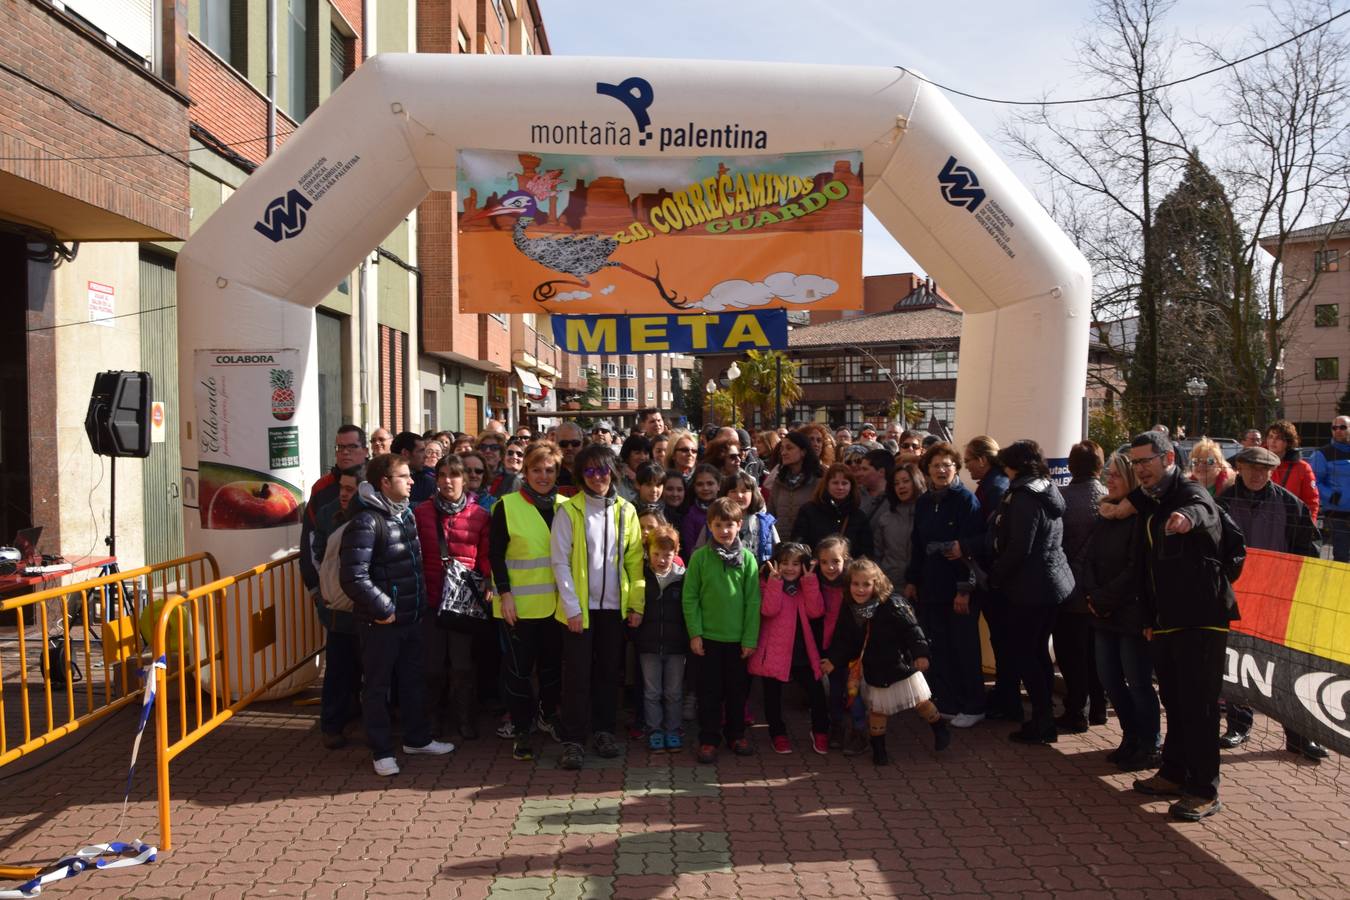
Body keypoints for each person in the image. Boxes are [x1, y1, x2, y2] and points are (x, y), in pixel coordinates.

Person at [1123, 430, 1236, 822]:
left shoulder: (1189, 493)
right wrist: (1148, 619)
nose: (1140, 469)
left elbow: (1204, 509)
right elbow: (1146, 566)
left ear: (1169, 458)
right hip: (1166, 620)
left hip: (1202, 619)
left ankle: (1204, 790)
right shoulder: (1152, 501)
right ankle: (1173, 773)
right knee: (1174, 700)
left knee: (1199, 706)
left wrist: (1187, 519)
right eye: (1135, 463)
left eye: (1146, 461)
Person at [339, 454, 455, 775]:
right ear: (385, 482)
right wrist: (384, 608)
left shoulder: (404, 514)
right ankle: (381, 751)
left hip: (411, 617)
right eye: (404, 476)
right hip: (381, 623)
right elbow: (353, 576)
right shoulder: (366, 521)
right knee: (377, 687)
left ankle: (417, 739)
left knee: (413, 680)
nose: (412, 481)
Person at [1216, 445, 1327, 761]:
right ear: (1239, 467)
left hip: (1277, 599)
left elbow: (1308, 549)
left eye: (1264, 470)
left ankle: (1298, 736)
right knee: (1237, 663)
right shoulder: (1223, 502)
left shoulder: (1290, 504)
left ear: (1272, 472)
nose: (1257, 474)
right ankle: (1238, 726)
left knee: (1285, 668)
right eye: (1251, 468)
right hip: (1235, 596)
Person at [551, 445, 646, 770]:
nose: (597, 477)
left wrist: (635, 604)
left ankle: (604, 732)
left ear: (613, 472)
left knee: (608, 674)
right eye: (589, 471)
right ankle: (574, 740)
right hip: (579, 610)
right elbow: (560, 562)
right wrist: (572, 608)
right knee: (577, 676)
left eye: (602, 470)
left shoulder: (626, 511)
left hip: (613, 610)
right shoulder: (568, 511)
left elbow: (634, 561)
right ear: (581, 475)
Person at [988, 440, 1075, 745]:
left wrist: (996, 576)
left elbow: (1019, 546)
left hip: (1031, 587)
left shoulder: (1025, 497)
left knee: (1026, 653)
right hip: (1049, 584)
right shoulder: (1046, 490)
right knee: (1037, 652)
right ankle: (1043, 716)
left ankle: (1042, 719)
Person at [829, 558, 950, 764]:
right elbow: (843, 638)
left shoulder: (893, 604)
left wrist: (921, 654)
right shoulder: (849, 607)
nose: (860, 589)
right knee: (878, 710)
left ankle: (940, 729)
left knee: (921, 702)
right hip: (874, 667)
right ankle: (879, 750)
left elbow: (912, 629)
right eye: (855, 584)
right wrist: (834, 660)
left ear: (876, 584)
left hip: (899, 663)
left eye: (866, 584)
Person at [489, 443, 566, 762]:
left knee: (552, 668)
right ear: (525, 472)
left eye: (549, 470)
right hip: (517, 606)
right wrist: (505, 593)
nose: (543, 476)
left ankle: (547, 717)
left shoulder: (567, 507)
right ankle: (522, 729)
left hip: (557, 606)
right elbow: (495, 555)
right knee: (519, 671)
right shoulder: (506, 506)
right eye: (536, 470)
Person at [1085, 452, 1160, 772]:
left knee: (1138, 682)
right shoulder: (1105, 513)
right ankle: (1130, 737)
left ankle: (1150, 742)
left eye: (1116, 474)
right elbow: (1089, 557)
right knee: (1110, 679)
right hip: (1102, 612)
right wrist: (1092, 595)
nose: (1109, 480)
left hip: (1131, 613)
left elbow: (1136, 568)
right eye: (1108, 474)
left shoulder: (1141, 517)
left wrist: (1104, 598)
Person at [905, 443, 985, 727]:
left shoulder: (966, 500)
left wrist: (965, 589)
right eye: (935, 465)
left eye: (947, 465)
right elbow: (918, 544)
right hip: (931, 586)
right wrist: (913, 579)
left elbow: (973, 550)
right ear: (927, 470)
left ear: (956, 468)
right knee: (939, 647)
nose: (941, 470)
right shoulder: (925, 502)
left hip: (958, 588)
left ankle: (974, 705)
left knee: (964, 648)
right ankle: (949, 701)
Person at [413, 454, 492, 742]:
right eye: (443, 475)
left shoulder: (480, 515)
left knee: (462, 665)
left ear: (465, 479)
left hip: (463, 603)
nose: (448, 481)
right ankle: (432, 719)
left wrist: (489, 580)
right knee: (432, 666)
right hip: (431, 599)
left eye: (454, 475)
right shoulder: (421, 513)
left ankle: (465, 718)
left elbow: (486, 556)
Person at [682, 497, 762, 763]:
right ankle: (709, 738)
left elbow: (753, 601)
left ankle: (736, 734)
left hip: (738, 641)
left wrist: (749, 638)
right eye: (718, 525)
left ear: (739, 525)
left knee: (737, 693)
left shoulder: (748, 559)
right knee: (709, 693)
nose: (724, 530)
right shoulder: (700, 558)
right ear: (709, 526)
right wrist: (695, 633)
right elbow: (690, 597)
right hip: (708, 640)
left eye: (729, 525)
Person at [748, 542, 829, 755]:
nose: (790, 568)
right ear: (776, 563)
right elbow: (768, 610)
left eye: (795, 563)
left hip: (801, 649)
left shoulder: (806, 583)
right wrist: (775, 583)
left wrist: (809, 582)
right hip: (774, 649)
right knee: (772, 695)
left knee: (816, 691)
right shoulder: (766, 581)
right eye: (785, 563)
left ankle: (820, 730)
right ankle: (778, 734)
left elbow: (816, 612)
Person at [962, 435, 1019, 722]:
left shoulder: (995, 488)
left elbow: (994, 535)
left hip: (996, 579)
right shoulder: (992, 485)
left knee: (1004, 641)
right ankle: (1005, 695)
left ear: (982, 460)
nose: (967, 467)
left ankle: (1008, 700)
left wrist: (966, 545)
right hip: (995, 577)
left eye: (969, 461)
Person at [1054, 440, 1107, 733]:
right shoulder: (1109, 498)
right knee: (1095, 653)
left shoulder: (1061, 499)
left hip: (1068, 587)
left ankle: (1077, 711)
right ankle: (1099, 707)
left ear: (1070, 466)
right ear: (1100, 465)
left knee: (1070, 653)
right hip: (1099, 589)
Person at [311, 465, 364, 749]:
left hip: (367, 610)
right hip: (339, 610)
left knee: (367, 670)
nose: (344, 494)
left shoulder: (374, 516)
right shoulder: (327, 514)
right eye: (342, 488)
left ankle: (362, 717)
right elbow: (316, 553)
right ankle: (331, 725)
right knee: (338, 670)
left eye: (350, 490)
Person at [301, 425, 369, 612]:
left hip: (373, 597)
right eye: (340, 447)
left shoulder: (379, 481)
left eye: (352, 447)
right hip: (334, 600)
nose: (345, 452)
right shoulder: (321, 489)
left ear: (365, 451)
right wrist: (316, 588)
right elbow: (309, 542)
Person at [634, 524, 688, 751]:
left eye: (667, 554)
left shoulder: (683, 578)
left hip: (676, 646)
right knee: (652, 692)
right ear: (648, 552)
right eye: (656, 554)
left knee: (674, 692)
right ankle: (654, 729)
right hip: (649, 645)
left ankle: (673, 729)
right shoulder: (641, 576)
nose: (661, 560)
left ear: (676, 552)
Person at [812, 536, 867, 754]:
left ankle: (859, 731)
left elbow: (853, 627)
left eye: (835, 561)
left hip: (850, 648)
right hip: (828, 646)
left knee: (854, 691)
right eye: (824, 562)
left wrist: (838, 656)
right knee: (835, 691)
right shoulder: (816, 581)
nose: (830, 567)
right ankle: (836, 727)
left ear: (846, 559)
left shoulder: (853, 585)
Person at [792, 463, 874, 558]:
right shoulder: (808, 511)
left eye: (844, 483)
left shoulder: (858, 516)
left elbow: (866, 551)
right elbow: (798, 544)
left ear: (851, 486)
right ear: (827, 485)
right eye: (835, 483)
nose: (840, 487)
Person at [872, 462, 925, 592]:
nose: (901, 486)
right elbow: (877, 553)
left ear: (916, 481)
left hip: (923, 585)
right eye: (896, 483)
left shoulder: (929, 514)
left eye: (906, 481)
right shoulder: (886, 518)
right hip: (891, 584)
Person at [767, 432, 820, 540]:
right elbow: (771, 515)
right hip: (781, 543)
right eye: (782, 449)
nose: (784, 453)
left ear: (803, 452)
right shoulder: (778, 482)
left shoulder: (817, 481)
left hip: (808, 543)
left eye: (789, 448)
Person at [1312, 415, 1350, 562]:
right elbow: (1314, 482)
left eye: (1343, 427)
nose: (1338, 430)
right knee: (1342, 557)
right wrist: (1333, 497)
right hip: (1338, 515)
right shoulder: (1322, 454)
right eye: (1334, 428)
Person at [1266, 420, 1320, 524]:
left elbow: (1311, 501)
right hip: (1264, 523)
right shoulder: (1260, 465)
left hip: (1292, 524)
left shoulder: (1302, 467)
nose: (1273, 441)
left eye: (1279, 438)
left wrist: (1309, 526)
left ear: (1288, 442)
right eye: (1270, 437)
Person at [680, 464, 723, 558]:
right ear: (694, 487)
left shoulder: (727, 510)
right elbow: (690, 550)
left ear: (718, 485)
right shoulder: (690, 515)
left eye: (710, 483)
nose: (705, 488)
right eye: (700, 484)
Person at [855, 448, 894, 521]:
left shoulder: (895, 499)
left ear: (881, 472)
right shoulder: (854, 495)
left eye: (865, 469)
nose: (860, 473)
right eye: (860, 469)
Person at [617, 434, 653, 503]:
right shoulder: (618, 478)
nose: (642, 457)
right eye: (637, 453)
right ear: (627, 455)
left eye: (646, 453)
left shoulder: (654, 476)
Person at [553, 422, 586, 496]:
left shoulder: (591, 469)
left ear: (582, 443)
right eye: (564, 444)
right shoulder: (547, 470)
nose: (569, 448)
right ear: (556, 444)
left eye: (575, 443)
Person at [415, 438, 444, 505]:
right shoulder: (416, 476)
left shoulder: (445, 476)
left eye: (437, 453)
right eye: (429, 452)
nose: (434, 455)